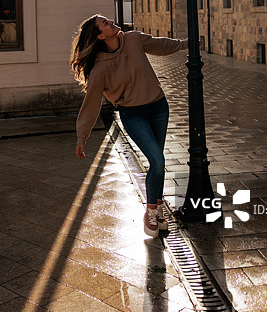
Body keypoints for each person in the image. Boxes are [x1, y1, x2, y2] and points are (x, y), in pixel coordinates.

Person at [70, 15, 188, 238]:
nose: (112, 21)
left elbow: (159, 44)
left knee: (157, 163)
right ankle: (151, 213)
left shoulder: (133, 39)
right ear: (100, 36)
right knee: (157, 160)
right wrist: (81, 136)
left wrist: (184, 44)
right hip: (133, 114)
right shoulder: (100, 69)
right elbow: (92, 103)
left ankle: (158, 210)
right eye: (105, 23)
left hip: (158, 107)